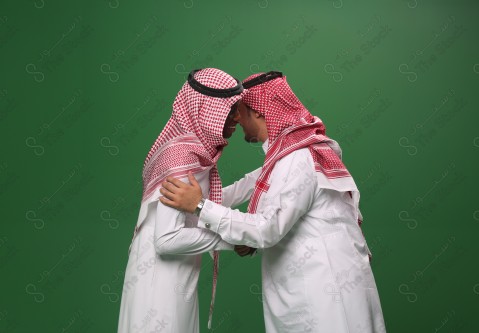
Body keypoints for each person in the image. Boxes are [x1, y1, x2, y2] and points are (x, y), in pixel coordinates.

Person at [160, 71, 387, 332]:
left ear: (258, 112)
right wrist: (200, 198)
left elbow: (267, 228)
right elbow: (252, 185)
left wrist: (200, 207)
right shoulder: (289, 155)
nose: (236, 119)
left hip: (327, 294)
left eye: (240, 111)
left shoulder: (296, 159)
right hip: (314, 291)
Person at [117, 68, 246, 333]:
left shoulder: (190, 152)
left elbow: (206, 203)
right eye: (230, 110)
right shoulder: (180, 161)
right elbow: (166, 240)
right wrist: (233, 239)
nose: (237, 118)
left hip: (174, 281)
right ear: (205, 109)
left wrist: (261, 178)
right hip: (157, 288)